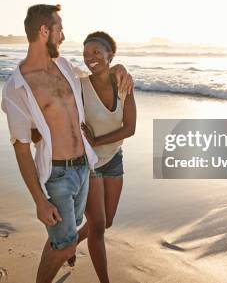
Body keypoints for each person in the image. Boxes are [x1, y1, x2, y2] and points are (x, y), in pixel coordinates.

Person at [0, 4, 132, 283]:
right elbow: (21, 148)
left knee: (67, 237)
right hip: (58, 174)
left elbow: (96, 72)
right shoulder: (18, 87)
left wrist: (119, 66)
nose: (63, 36)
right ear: (44, 31)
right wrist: (39, 200)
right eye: (59, 29)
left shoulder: (63, 66)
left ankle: (60, 252)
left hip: (85, 166)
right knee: (67, 245)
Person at [74, 31, 136, 283]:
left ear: (110, 55)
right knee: (98, 227)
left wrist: (98, 140)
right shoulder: (80, 85)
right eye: (87, 53)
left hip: (114, 158)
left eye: (97, 52)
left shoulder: (124, 84)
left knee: (107, 221)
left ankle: (73, 240)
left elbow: (129, 128)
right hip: (89, 163)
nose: (91, 58)